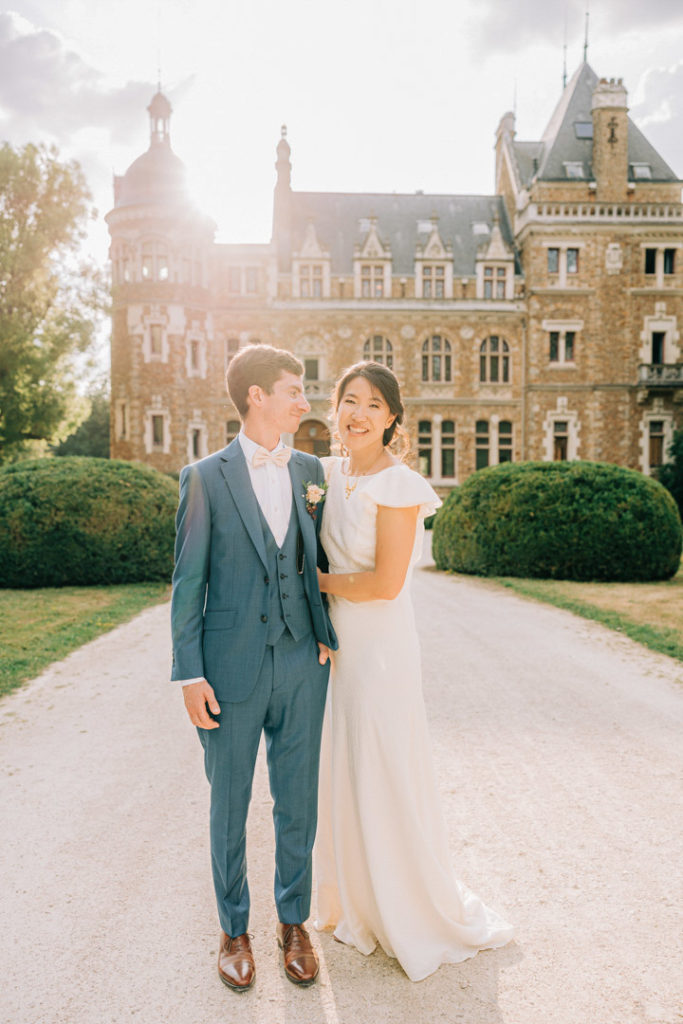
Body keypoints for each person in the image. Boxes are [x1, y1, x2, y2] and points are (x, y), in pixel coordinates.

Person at [314, 361, 514, 982]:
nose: (358, 413)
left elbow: (385, 582)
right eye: (350, 400)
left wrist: (312, 584)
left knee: (382, 762)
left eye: (374, 405)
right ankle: (354, 900)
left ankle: (403, 906)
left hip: (379, 648)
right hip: (337, 647)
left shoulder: (398, 485)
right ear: (336, 408)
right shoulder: (325, 472)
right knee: (343, 762)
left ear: (393, 418)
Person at [171, 344, 337, 992]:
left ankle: (292, 923)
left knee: (297, 801)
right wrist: (189, 676)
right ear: (256, 397)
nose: (305, 401)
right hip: (229, 668)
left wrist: (324, 634)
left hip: (301, 662)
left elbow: (313, 556)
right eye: (294, 389)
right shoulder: (204, 477)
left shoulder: (310, 469)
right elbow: (187, 583)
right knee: (229, 804)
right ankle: (233, 928)